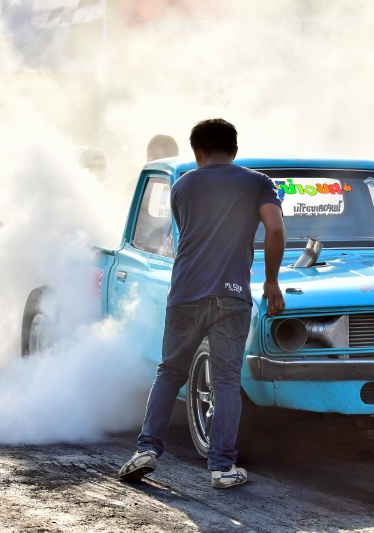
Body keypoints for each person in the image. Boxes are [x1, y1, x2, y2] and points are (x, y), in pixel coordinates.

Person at [117, 119, 287, 489]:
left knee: (169, 372)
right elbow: (275, 229)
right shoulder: (258, 182)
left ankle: (146, 450)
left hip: (185, 295)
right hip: (232, 295)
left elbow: (186, 235)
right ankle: (222, 468)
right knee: (226, 380)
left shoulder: (181, 186)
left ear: (196, 153)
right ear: (235, 151)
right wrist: (271, 281)